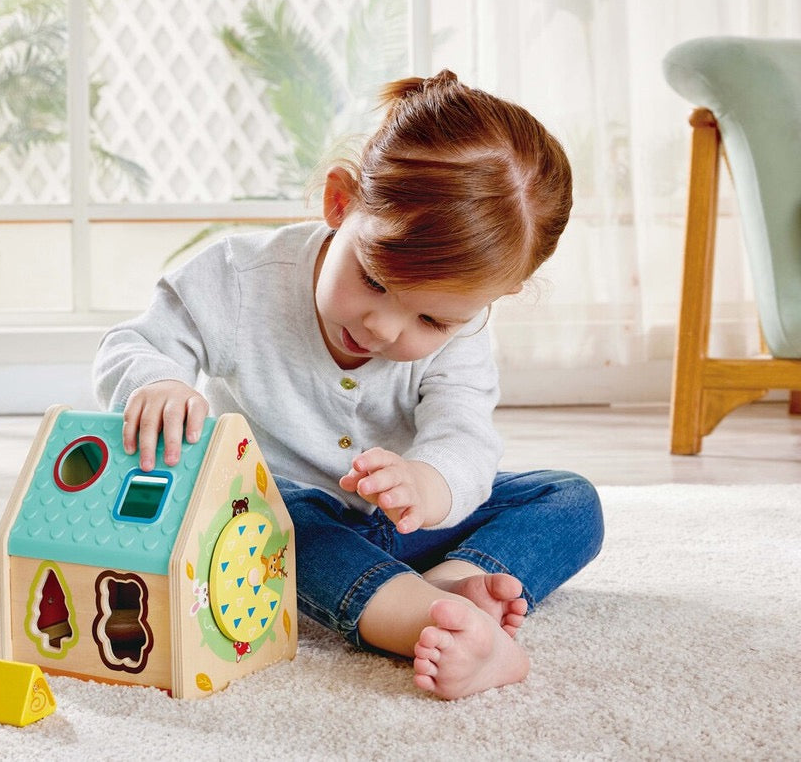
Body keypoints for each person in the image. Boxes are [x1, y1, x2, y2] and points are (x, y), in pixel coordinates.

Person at [93, 69, 604, 700]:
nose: (383, 328)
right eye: (375, 281)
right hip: (274, 521)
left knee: (569, 498)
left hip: (404, 524)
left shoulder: (465, 332)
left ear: (494, 297)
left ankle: (448, 584)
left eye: (431, 320)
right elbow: (135, 344)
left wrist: (426, 484)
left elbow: (466, 438)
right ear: (341, 203)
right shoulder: (238, 279)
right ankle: (422, 621)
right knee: (273, 517)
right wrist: (160, 383)